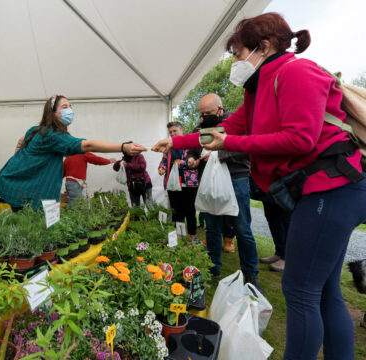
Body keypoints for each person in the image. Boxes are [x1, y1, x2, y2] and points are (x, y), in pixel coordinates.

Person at [153, 12, 366, 360]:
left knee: (299, 292)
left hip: (334, 188)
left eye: (237, 54)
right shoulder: (261, 87)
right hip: (325, 190)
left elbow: (300, 139)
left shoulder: (297, 71)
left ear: (263, 47)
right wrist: (175, 142)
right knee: (324, 291)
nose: (236, 62)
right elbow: (225, 130)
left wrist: (232, 145)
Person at [0, 95, 145, 211]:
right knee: (42, 234)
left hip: (20, 186)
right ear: (53, 112)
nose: (70, 110)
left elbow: (21, 140)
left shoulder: (37, 130)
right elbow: (88, 145)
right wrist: (123, 147)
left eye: (70, 106)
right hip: (37, 195)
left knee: (33, 231)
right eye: (65, 106)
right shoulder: (53, 136)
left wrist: (17, 161)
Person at [188, 94, 259, 287]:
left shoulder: (236, 123)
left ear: (220, 109)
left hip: (236, 178)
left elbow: (246, 148)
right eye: (201, 113)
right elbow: (192, 151)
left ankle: (250, 273)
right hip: (210, 182)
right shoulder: (199, 128)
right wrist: (192, 160)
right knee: (212, 227)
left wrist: (220, 152)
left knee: (243, 228)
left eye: (208, 113)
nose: (204, 117)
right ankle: (213, 266)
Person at [158, 121, 199, 242]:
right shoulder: (168, 147)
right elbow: (164, 161)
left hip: (189, 184)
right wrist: (162, 168)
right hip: (173, 184)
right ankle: (179, 235)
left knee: (190, 211)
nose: (172, 134)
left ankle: (192, 236)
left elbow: (196, 161)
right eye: (170, 132)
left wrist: (183, 163)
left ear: (182, 130)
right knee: (177, 211)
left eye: (175, 131)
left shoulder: (190, 144)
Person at [250, 178, 292, 272]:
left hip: (285, 181)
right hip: (269, 182)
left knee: (286, 220)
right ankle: (279, 252)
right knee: (272, 218)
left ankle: (286, 258)